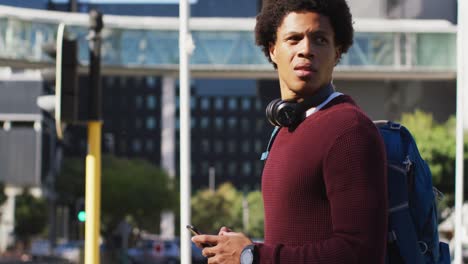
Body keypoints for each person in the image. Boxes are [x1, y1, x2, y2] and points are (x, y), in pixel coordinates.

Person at [192, 0, 388, 263]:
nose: (306, 50)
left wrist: (254, 256)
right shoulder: (288, 127)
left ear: (337, 52)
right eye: (293, 39)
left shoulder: (348, 130)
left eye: (319, 39)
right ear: (272, 49)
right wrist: (240, 249)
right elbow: (295, 243)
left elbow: (360, 252)